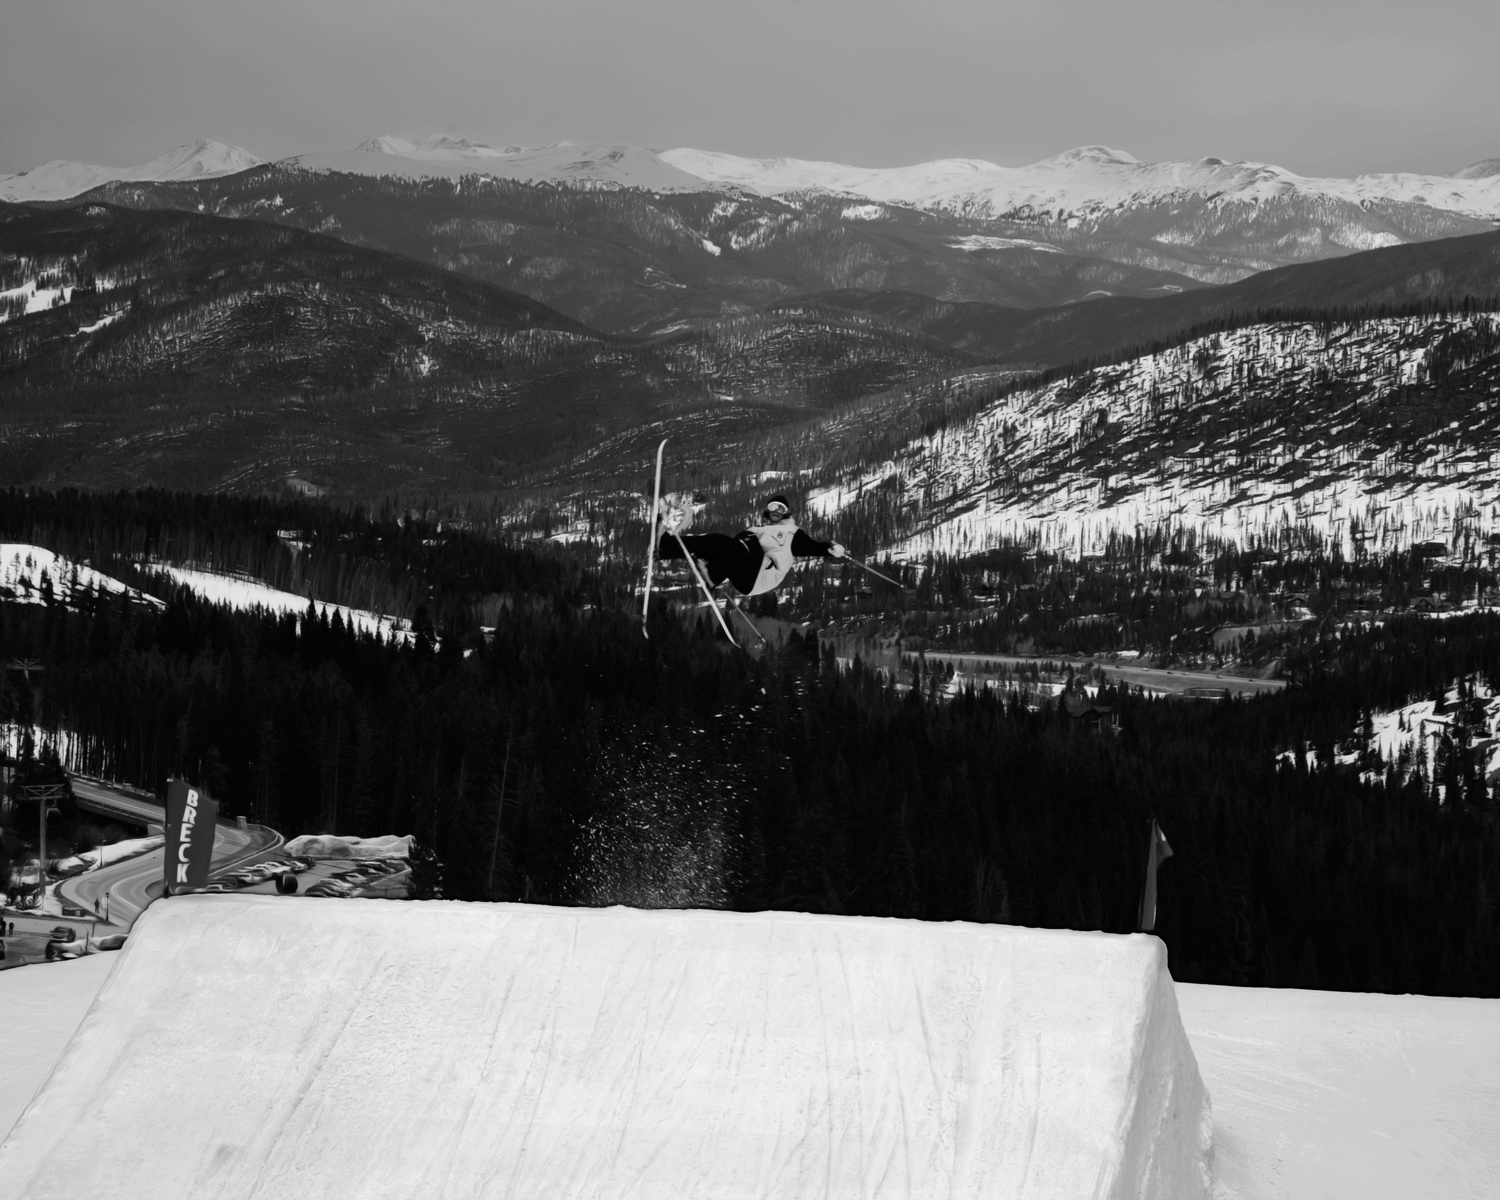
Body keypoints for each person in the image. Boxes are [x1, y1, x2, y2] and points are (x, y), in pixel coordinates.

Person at [657, 494, 846, 596]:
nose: (776, 511)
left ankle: (713, 576)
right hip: (743, 573)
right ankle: (664, 547)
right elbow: (731, 548)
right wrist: (712, 553)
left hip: (761, 577)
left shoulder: (792, 533)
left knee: (747, 540)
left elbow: (810, 547)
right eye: (773, 507)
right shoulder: (758, 530)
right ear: (767, 510)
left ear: (787, 513)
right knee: (718, 539)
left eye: (781, 508)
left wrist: (829, 549)